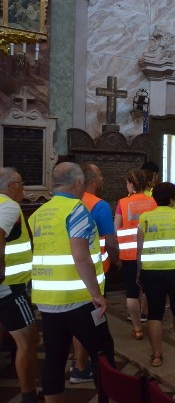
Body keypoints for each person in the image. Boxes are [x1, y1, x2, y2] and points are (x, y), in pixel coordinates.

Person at [28, 162, 115, 401]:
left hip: (48, 301)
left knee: (54, 359)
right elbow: (80, 255)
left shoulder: (39, 213)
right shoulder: (76, 210)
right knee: (103, 355)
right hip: (80, 300)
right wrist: (96, 294)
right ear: (78, 183)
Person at [69, 163, 120, 384]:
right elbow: (110, 240)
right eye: (100, 175)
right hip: (93, 273)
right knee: (94, 322)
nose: (103, 179)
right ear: (90, 181)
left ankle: (78, 362)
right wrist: (117, 261)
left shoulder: (67, 204)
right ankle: (86, 367)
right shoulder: (99, 205)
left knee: (76, 318)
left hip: (68, 273)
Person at [137, 182, 175, 367]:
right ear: (172, 198)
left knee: (155, 313)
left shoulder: (144, 218)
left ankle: (156, 355)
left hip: (151, 272)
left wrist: (139, 272)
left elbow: (139, 249)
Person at [0, 168, 40, 403]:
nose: (23, 188)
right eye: (21, 184)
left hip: (8, 286)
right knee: (29, 339)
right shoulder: (9, 206)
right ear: (12, 185)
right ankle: (29, 395)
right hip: (11, 286)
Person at [115, 170, 157, 340]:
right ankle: (146, 313)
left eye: (127, 183)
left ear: (132, 184)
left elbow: (115, 227)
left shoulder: (123, 203)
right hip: (149, 253)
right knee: (147, 287)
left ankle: (137, 328)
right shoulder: (153, 201)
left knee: (131, 291)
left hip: (129, 254)